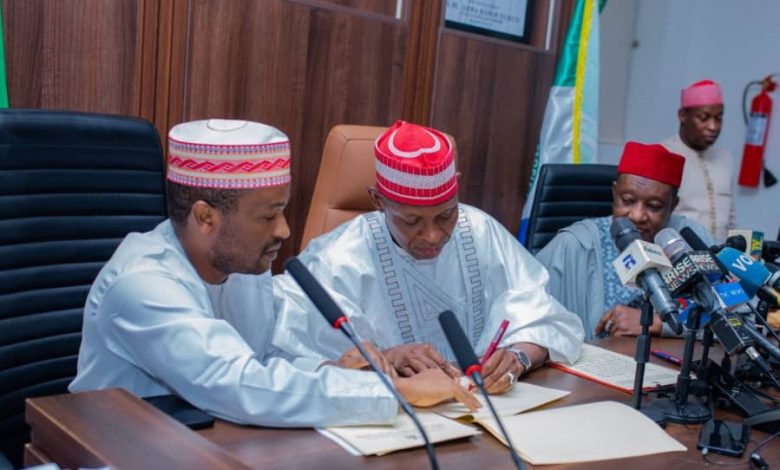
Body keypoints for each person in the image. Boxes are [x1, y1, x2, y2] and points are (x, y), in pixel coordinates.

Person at [69, 119, 478, 428]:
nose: (283, 230)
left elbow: (264, 357)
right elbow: (236, 383)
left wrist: (340, 369)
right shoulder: (142, 284)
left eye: (282, 211)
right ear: (206, 217)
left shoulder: (242, 266)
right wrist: (395, 391)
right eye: (268, 216)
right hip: (120, 452)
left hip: (206, 443)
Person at [274, 120, 584, 395]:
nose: (433, 236)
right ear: (378, 201)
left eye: (446, 216)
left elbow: (550, 320)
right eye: (412, 222)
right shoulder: (336, 259)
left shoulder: (480, 230)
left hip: (487, 410)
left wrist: (519, 356)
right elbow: (291, 361)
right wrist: (388, 358)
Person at [536, 142, 714, 341]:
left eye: (654, 206)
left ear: (672, 205)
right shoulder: (575, 243)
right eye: (627, 201)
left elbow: (735, 318)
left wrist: (657, 324)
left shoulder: (689, 238)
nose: (637, 216)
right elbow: (527, 316)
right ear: (615, 193)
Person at [661, 79, 735, 243]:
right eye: (704, 118)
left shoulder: (725, 158)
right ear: (682, 115)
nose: (713, 126)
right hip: (679, 252)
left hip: (720, 253)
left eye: (718, 118)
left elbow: (730, 218)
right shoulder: (664, 154)